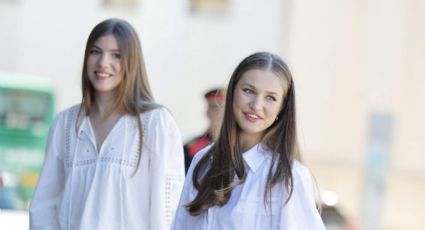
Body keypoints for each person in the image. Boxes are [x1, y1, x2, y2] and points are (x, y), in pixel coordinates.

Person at [29, 18, 185, 230]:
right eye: (95, 52)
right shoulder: (65, 123)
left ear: (132, 62)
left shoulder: (156, 123)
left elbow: (168, 210)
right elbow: (43, 206)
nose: (103, 62)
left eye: (116, 55)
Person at [172, 52, 325, 229]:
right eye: (248, 91)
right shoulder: (203, 160)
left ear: (282, 108)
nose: (256, 105)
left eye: (270, 97)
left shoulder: (288, 177)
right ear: (232, 93)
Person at [183, 88, 226, 173]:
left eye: (220, 106)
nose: (218, 112)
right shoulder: (193, 147)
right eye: (212, 106)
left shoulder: (241, 145)